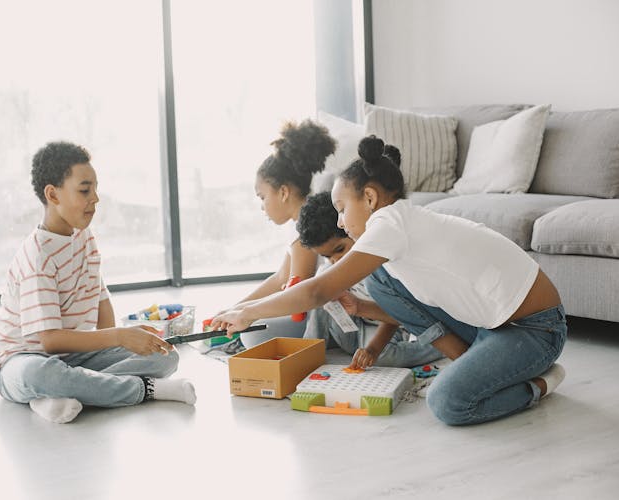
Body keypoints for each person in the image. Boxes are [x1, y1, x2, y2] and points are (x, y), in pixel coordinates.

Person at [214, 135, 567, 426]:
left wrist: (247, 312)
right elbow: (396, 304)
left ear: (369, 198)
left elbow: (319, 289)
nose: (339, 222)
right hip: (488, 324)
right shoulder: (394, 235)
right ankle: (473, 363)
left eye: (341, 208)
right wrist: (361, 307)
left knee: (447, 402)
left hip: (534, 329)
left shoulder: (390, 224)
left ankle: (538, 382)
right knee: (381, 279)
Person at [0, 141, 196, 424]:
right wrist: (120, 337)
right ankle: (146, 390)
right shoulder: (38, 255)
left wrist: (121, 342)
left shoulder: (84, 237)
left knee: (165, 355)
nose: (96, 198)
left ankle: (59, 395)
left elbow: (101, 299)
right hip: (21, 362)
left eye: (95, 189)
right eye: (85, 190)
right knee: (43, 375)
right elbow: (50, 341)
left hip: (76, 357)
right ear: (53, 194)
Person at [221, 119, 337, 347]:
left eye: (262, 197)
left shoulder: (306, 225)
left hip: (318, 312)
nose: (262, 207)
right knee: (249, 324)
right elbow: (282, 278)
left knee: (253, 334)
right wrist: (236, 308)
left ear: (283, 192)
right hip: (307, 305)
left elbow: (297, 296)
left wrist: (247, 314)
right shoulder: (296, 224)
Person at [297, 190, 441, 369]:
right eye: (327, 257)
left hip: (395, 328)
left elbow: (396, 316)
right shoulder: (332, 269)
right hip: (358, 331)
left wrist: (373, 349)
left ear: (350, 230)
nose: (336, 261)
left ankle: (439, 348)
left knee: (386, 357)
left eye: (340, 250)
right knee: (321, 293)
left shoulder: (383, 265)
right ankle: (307, 358)